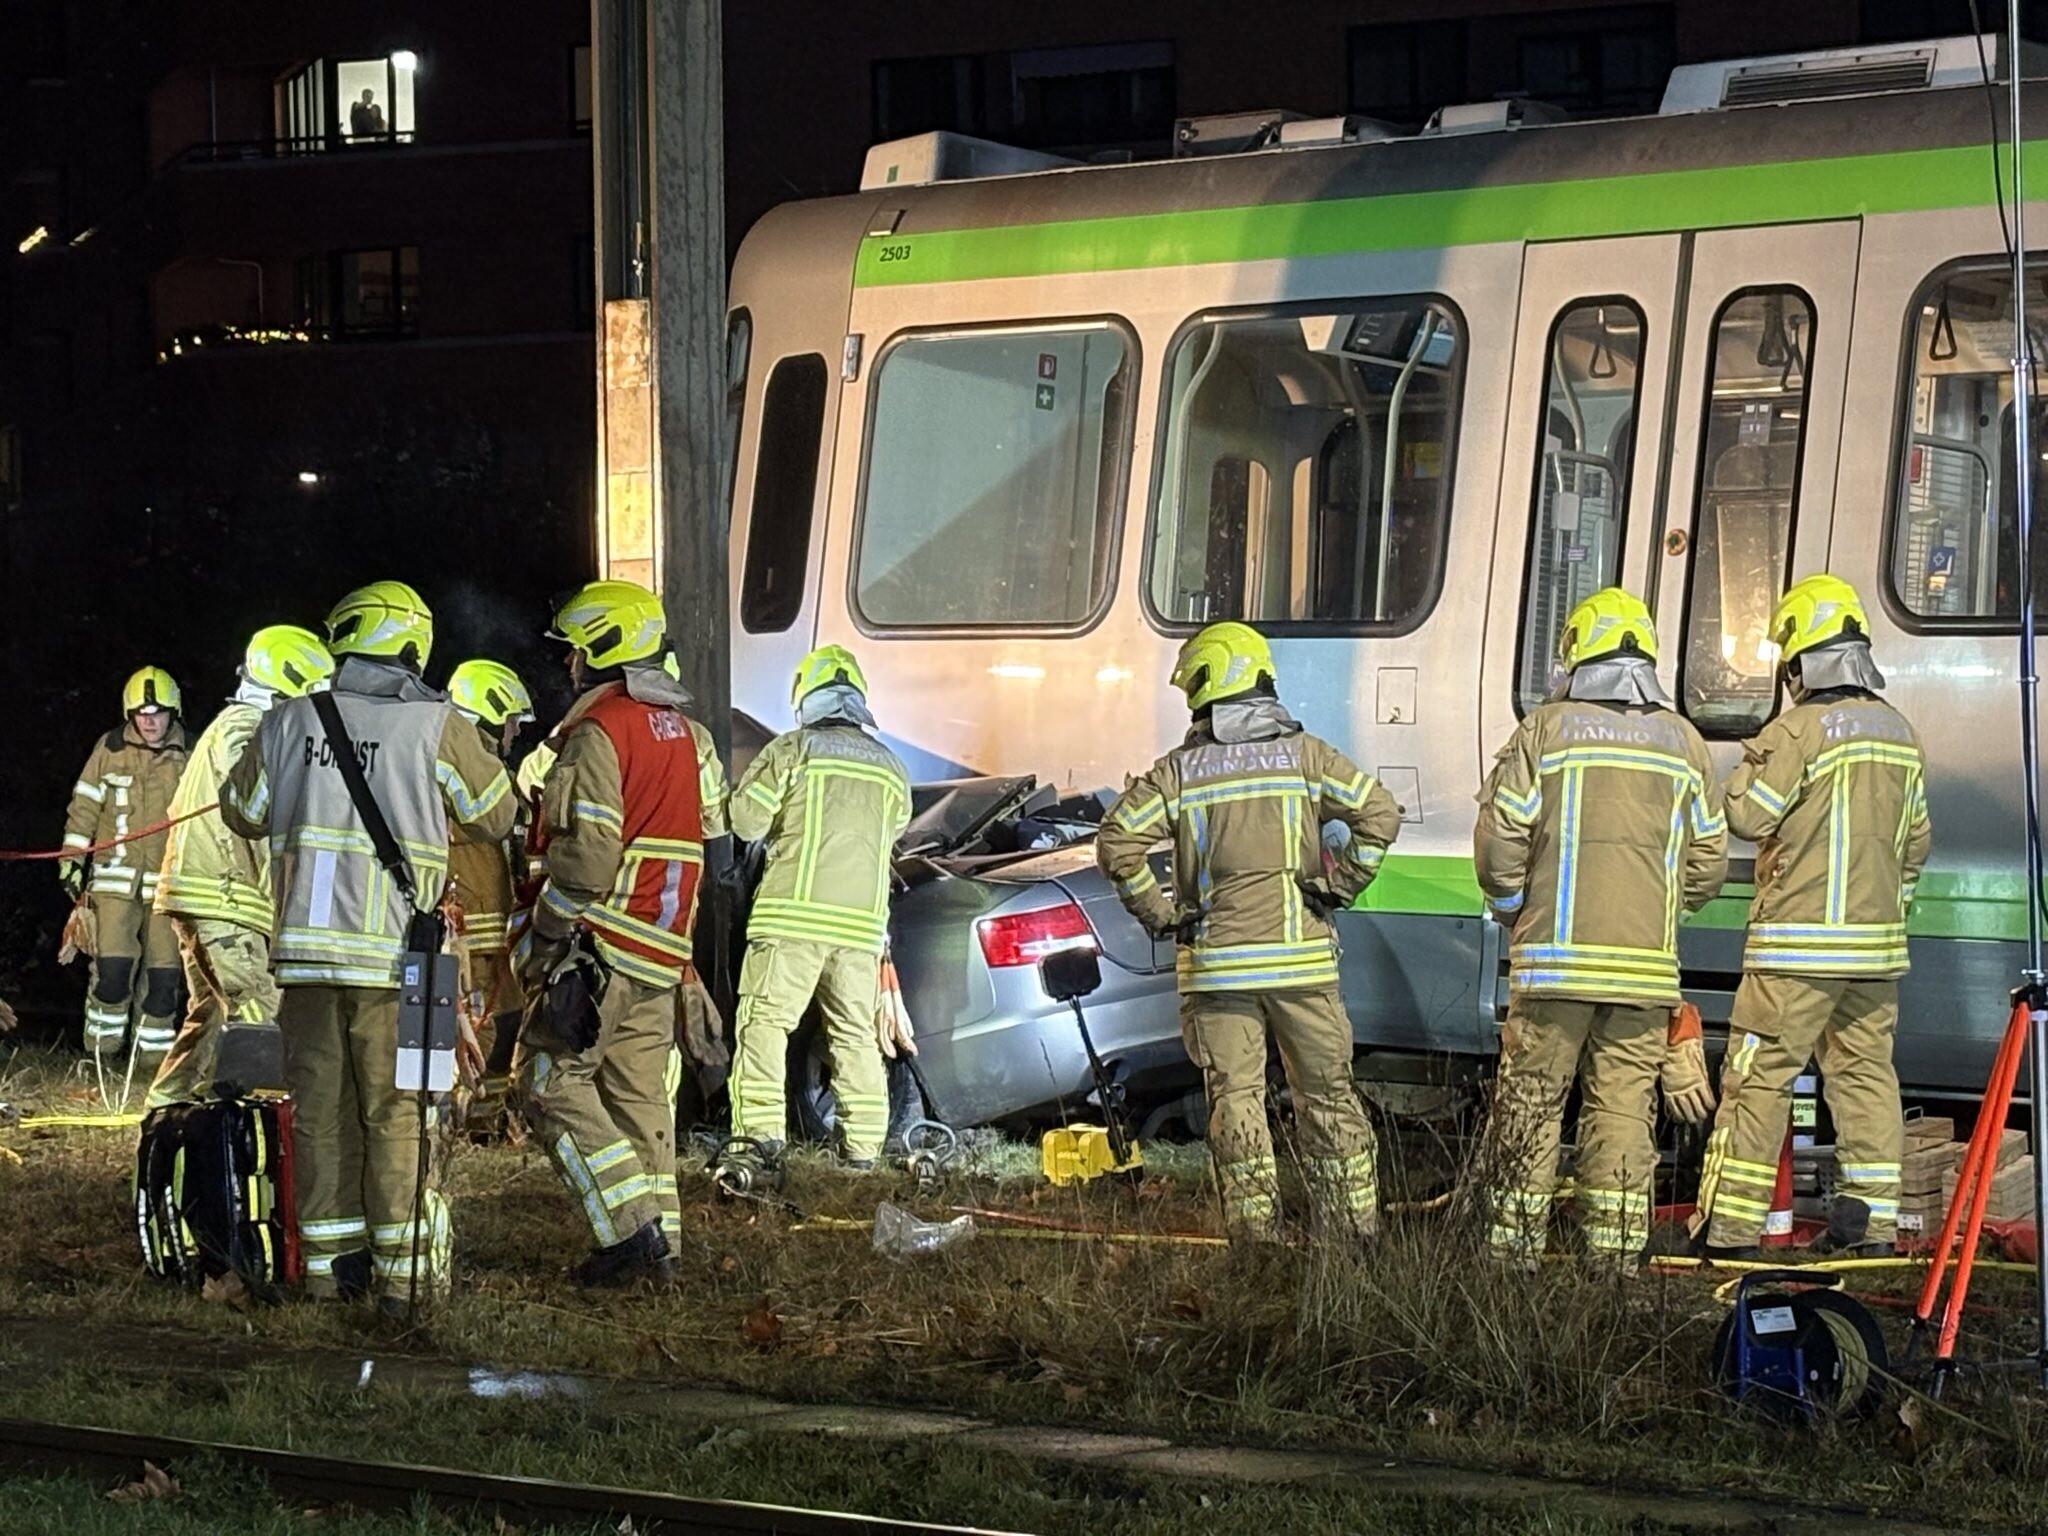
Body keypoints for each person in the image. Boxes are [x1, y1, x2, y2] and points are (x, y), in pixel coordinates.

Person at [222, 581, 514, 1309]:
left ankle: (330, 1275)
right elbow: (495, 815)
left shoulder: (289, 720)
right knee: (399, 1113)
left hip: (305, 960)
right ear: (414, 646)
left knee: (319, 1114)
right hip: (400, 963)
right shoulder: (437, 724)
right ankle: (403, 1282)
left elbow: (242, 810)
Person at [1097, 622, 1400, 1244]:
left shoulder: (1181, 772)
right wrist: (1341, 886)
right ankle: (1351, 1233)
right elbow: (1379, 814)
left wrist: (1159, 913)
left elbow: (1117, 843)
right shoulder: (1308, 756)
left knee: (1235, 1099)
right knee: (1327, 1095)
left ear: (1208, 685)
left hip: (1218, 971)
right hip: (1302, 966)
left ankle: (1255, 1236)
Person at [1471, 589, 1727, 1265]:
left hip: (1553, 968)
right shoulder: (1686, 743)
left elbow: (1499, 844)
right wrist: (1659, 910)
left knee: (1530, 1104)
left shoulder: (1545, 732)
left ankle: (1511, 1258)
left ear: (1577, 655)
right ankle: (1612, 1262)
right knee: (1622, 1112)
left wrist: (1513, 907)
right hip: (1644, 973)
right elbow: (1708, 861)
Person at [1692, 574, 1930, 1259]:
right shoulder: (1900, 732)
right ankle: (1871, 1227)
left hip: (1797, 951)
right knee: (1865, 1078)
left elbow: (1747, 815)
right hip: (1875, 955)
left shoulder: (1797, 731)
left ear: (1802, 659)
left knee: (1757, 1080)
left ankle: (1730, 1232)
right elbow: (1915, 842)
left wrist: (1748, 764)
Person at [515, 579, 730, 1286]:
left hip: (601, 943)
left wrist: (547, 931)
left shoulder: (600, 731)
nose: (569, 662)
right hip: (661, 952)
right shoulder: (685, 733)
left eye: (576, 649)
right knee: (639, 1099)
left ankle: (629, 1233)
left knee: (548, 1079)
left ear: (604, 647)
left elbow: (587, 859)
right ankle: (662, 1252)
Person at [721, 646, 909, 1181]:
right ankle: (864, 1154)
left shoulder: (792, 751)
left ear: (806, 698)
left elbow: (747, 823)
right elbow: (893, 833)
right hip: (861, 930)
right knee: (855, 1037)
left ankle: (760, 1145)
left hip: (790, 921)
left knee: (764, 1027)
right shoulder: (892, 768)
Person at [148, 627, 335, 1109]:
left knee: (211, 1015)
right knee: (260, 1012)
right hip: (222, 899)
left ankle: (166, 1108)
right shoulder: (246, 728)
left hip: (209, 896)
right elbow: (259, 808)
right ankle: (256, 1124)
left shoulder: (235, 724)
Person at [62, 666, 190, 1079]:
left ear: (173, 712)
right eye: (141, 714)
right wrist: (71, 860)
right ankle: (101, 1059)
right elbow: (84, 807)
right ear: (129, 714)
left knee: (164, 979)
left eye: (158, 713)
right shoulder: (109, 749)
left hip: (169, 888)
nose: (149, 722)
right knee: (112, 975)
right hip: (114, 885)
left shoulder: (191, 755)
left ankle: (152, 1066)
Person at [444, 659, 536, 1116]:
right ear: (491, 713)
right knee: (476, 1031)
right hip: (471, 930)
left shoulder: (481, 765)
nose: (515, 732)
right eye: (512, 720)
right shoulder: (465, 765)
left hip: (491, 930)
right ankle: (459, 1124)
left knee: (500, 1027)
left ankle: (486, 1126)